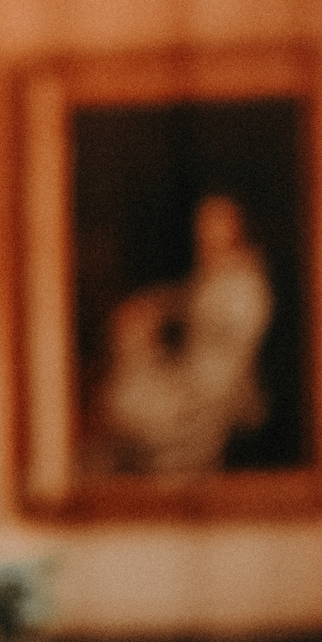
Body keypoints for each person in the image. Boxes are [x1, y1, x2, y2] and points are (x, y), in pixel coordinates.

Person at [93, 192, 272, 476]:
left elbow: (218, 366)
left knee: (133, 402)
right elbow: (187, 298)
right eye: (203, 227)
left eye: (217, 227)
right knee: (124, 395)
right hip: (194, 381)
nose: (206, 236)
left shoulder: (242, 287)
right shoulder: (215, 277)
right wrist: (152, 306)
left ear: (237, 230)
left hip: (210, 396)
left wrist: (154, 335)